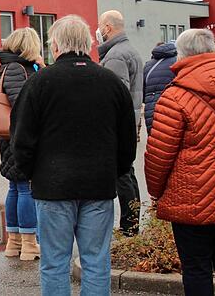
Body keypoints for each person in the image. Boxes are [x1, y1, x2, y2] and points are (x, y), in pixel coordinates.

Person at [12, 15, 137, 295]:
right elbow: (128, 141)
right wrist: (113, 171)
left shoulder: (40, 83)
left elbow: (21, 139)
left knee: (55, 262)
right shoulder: (111, 83)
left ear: (55, 45)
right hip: (98, 184)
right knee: (96, 260)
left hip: (53, 185)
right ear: (88, 44)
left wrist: (32, 173)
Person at [146, 29, 215, 296]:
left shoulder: (174, 97)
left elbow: (159, 154)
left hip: (192, 195)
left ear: (181, 54)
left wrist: (155, 192)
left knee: (196, 268)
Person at [96, 9, 143, 236]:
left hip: (117, 127)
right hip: (129, 123)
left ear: (108, 28)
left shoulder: (115, 56)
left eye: (100, 26)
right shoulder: (129, 50)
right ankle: (132, 223)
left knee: (121, 175)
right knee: (127, 173)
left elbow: (114, 96)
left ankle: (129, 227)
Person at [0, 28, 43, 261]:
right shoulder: (17, 68)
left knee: (15, 187)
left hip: (10, 136)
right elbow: (22, 102)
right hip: (19, 135)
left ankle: (14, 243)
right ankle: (28, 243)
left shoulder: (10, 66)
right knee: (24, 187)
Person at [143, 41, 178, 136]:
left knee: (154, 140)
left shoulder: (148, 65)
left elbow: (143, 91)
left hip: (151, 109)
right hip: (172, 107)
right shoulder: (177, 62)